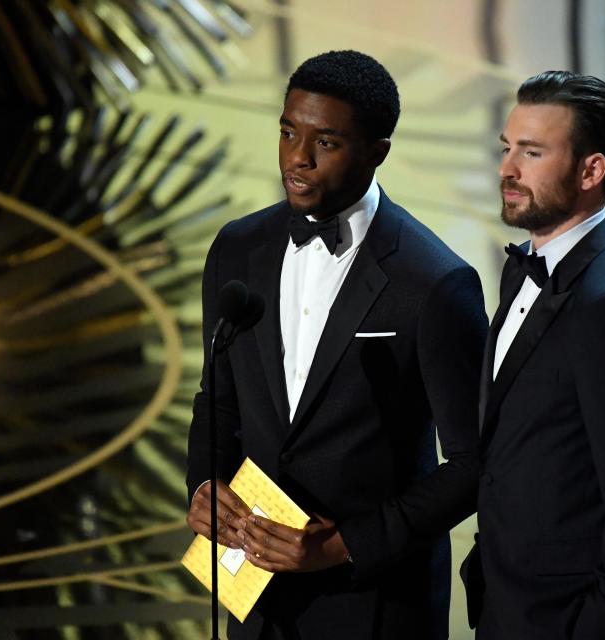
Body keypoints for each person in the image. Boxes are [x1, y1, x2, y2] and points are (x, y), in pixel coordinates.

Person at [185, 50, 487, 640]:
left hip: (372, 605)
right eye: (288, 132)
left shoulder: (434, 282)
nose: (297, 158)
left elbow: (476, 464)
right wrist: (204, 484)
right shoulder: (237, 248)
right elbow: (217, 398)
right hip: (255, 599)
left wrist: (345, 544)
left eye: (326, 142)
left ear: (378, 152)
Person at [461, 70, 605, 639]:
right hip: (507, 605)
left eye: (532, 153)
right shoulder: (528, 271)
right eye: (507, 148)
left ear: (592, 170)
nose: (507, 170)